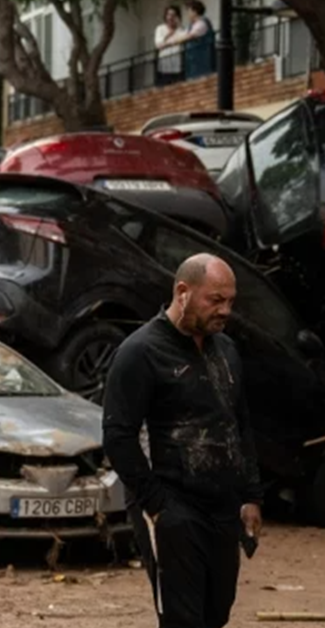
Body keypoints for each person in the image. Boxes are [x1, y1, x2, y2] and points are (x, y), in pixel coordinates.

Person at [102, 253, 264, 628]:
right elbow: (117, 437)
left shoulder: (226, 351)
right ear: (183, 292)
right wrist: (158, 507)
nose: (226, 310)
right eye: (216, 300)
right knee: (182, 618)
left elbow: (238, 425)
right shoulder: (140, 352)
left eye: (231, 301)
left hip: (221, 504)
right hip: (171, 504)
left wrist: (251, 495)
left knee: (216, 612)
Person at [168, 0, 216, 79]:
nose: (188, 14)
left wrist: (170, 43)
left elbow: (188, 36)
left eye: (189, 11)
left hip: (202, 62)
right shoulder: (192, 25)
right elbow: (183, 34)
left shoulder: (202, 24)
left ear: (195, 12)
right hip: (193, 64)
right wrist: (168, 41)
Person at [155, 6, 187, 86]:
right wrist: (171, 33)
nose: (171, 18)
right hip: (164, 66)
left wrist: (178, 27)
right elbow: (158, 45)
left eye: (173, 15)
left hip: (177, 66)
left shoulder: (181, 29)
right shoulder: (160, 28)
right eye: (168, 15)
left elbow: (183, 40)